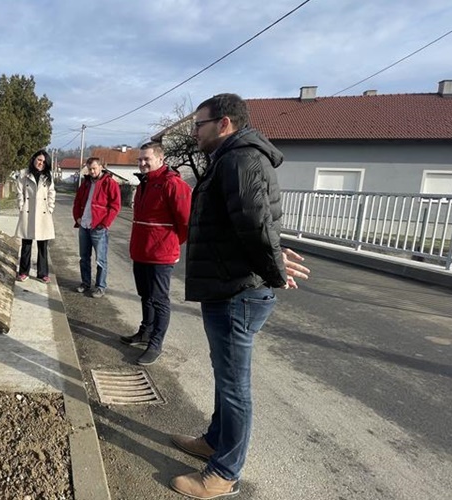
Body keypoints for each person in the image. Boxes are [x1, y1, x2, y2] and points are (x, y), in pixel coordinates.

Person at [169, 93, 310, 498]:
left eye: (199, 124)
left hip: (238, 293)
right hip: (228, 285)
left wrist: (275, 271)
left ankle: (225, 472)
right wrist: (273, 261)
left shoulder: (238, 159)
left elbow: (253, 224)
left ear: (224, 123)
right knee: (224, 376)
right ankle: (215, 439)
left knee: (234, 385)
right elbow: (245, 224)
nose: (194, 132)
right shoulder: (231, 158)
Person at [119, 142, 191, 366]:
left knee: (159, 300)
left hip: (161, 256)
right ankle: (145, 332)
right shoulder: (143, 184)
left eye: (146, 159)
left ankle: (156, 343)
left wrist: (167, 244)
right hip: (141, 252)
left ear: (160, 159)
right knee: (145, 296)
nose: (142, 163)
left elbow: (186, 222)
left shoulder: (172, 184)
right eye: (139, 160)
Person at [72, 157, 121, 298]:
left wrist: (104, 223)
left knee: (101, 260)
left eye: (94, 168)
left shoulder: (110, 183)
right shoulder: (85, 184)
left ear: (101, 167)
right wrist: (78, 218)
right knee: (84, 257)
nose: (92, 171)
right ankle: (85, 283)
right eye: (90, 169)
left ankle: (100, 286)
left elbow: (115, 206)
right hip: (84, 226)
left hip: (99, 228)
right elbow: (77, 202)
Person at [15, 149, 56, 283]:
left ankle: (42, 273)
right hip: (28, 211)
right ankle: (23, 272)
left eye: (44, 162)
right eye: (39, 160)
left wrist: (50, 208)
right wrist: (21, 206)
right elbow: (19, 191)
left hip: (43, 213)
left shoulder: (47, 176)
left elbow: (51, 193)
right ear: (34, 159)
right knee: (26, 244)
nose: (41, 163)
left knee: (43, 245)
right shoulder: (24, 174)